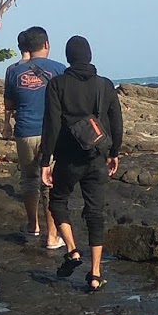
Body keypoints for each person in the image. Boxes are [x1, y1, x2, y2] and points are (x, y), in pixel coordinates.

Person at [39, 35, 123, 293]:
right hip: (97, 156)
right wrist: (114, 152)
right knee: (95, 213)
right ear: (89, 56)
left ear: (68, 57)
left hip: (68, 156)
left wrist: (46, 160)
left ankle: (73, 250)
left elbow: (51, 124)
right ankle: (96, 273)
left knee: (58, 201)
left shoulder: (57, 84)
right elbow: (117, 122)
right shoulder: (105, 85)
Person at [2, 26, 66, 248]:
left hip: (25, 131)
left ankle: (33, 225)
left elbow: (9, 105)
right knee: (50, 182)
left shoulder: (13, 71)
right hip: (53, 133)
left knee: (29, 180)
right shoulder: (59, 69)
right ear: (46, 44)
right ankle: (52, 235)